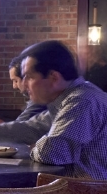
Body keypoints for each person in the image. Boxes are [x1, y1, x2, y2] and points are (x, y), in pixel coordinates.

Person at [16, 39, 107, 179]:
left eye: (30, 77)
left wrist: (35, 147)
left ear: (53, 77)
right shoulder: (71, 99)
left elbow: (52, 152)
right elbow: (32, 128)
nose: (23, 84)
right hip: (82, 192)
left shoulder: (81, 100)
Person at [0, 54, 51, 145]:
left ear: (53, 77)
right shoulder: (53, 106)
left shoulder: (54, 104)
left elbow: (22, 130)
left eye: (16, 80)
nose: (14, 86)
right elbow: (28, 128)